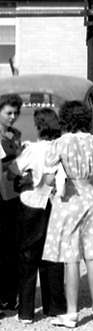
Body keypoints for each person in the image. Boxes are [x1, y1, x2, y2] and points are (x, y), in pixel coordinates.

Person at [42, 101, 93, 328]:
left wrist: (56, 176)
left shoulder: (59, 144)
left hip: (69, 200)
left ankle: (72, 312)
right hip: (90, 195)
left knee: (71, 258)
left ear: (65, 119)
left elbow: (48, 179)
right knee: (92, 256)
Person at [14, 108, 66, 323]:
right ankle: (54, 306)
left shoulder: (31, 149)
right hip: (55, 203)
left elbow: (13, 171)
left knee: (28, 256)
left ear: (38, 126)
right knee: (53, 255)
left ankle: (26, 311)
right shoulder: (61, 148)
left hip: (32, 202)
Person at [0, 94, 22, 313]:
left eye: (16, 113)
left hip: (14, 196)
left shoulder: (16, 135)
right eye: (8, 113)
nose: (13, 117)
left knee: (12, 248)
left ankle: (9, 296)